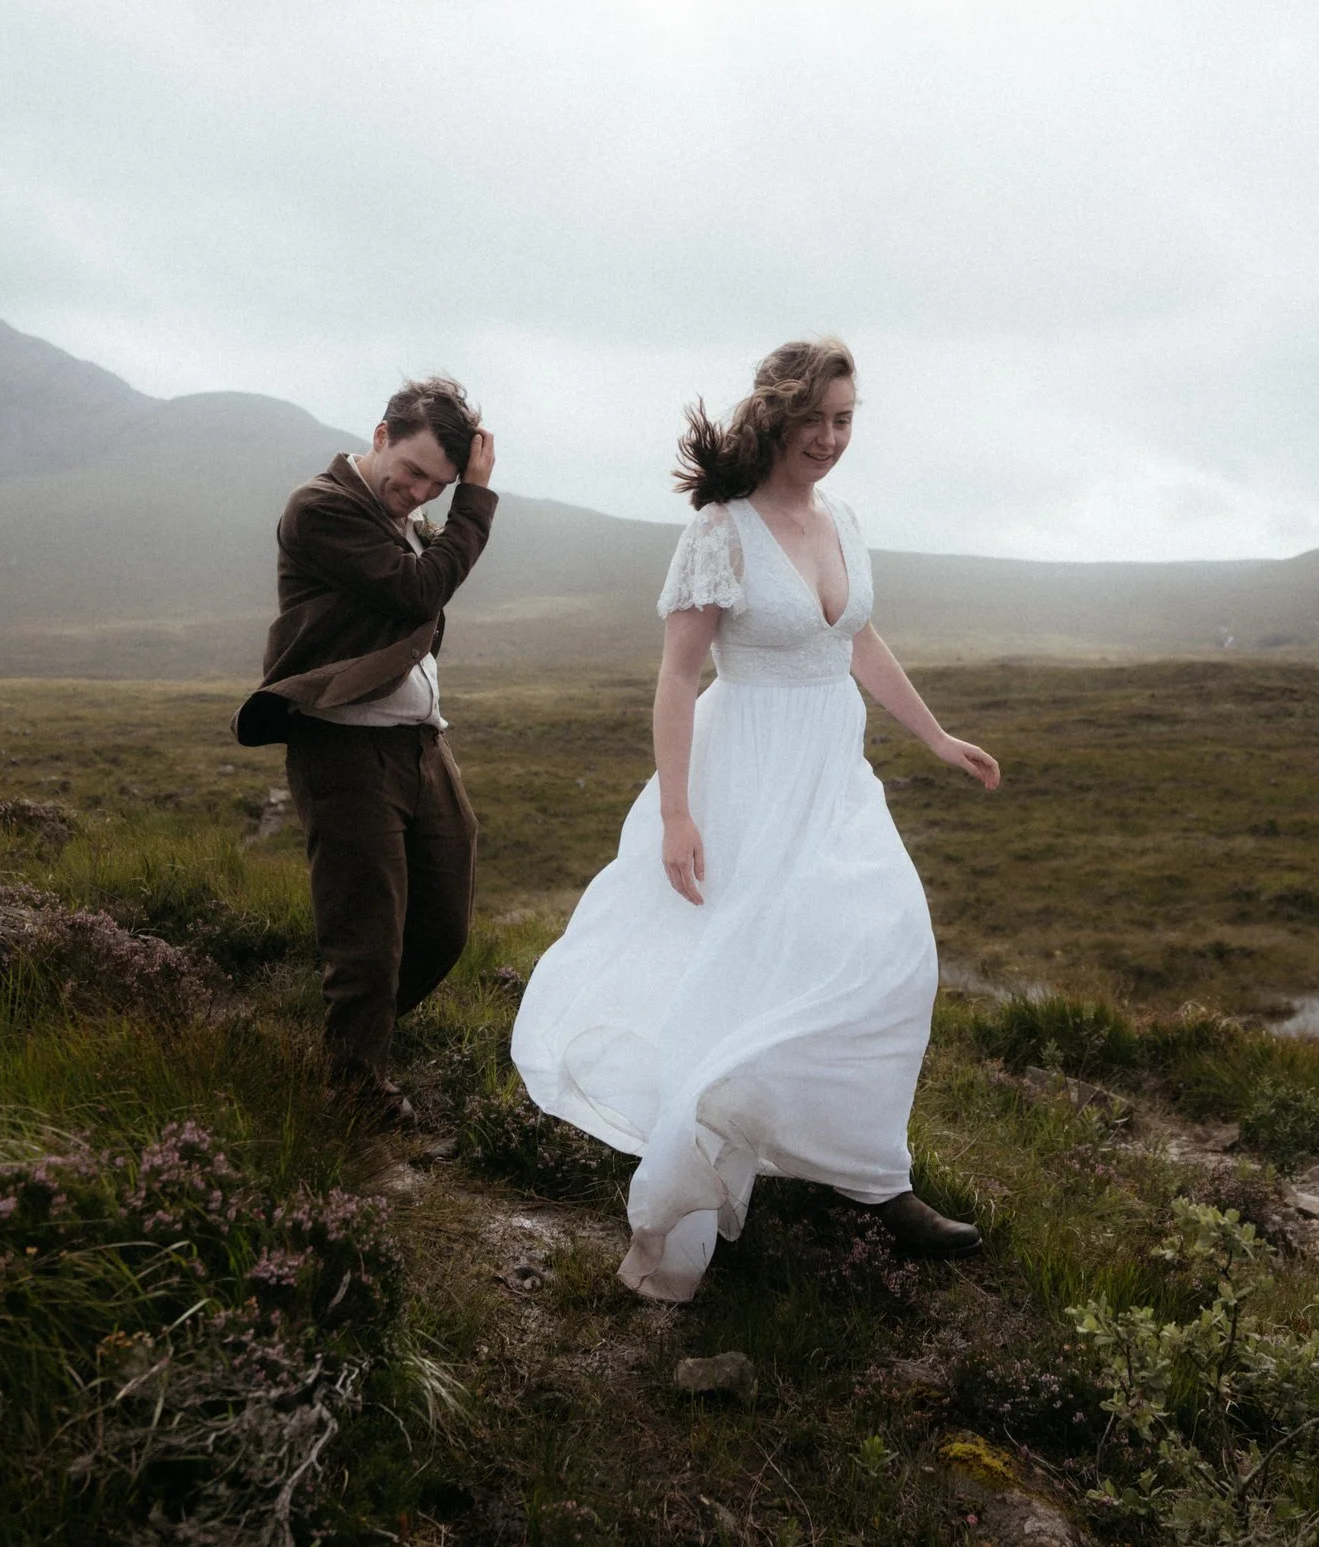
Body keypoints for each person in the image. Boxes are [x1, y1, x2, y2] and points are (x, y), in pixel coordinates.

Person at [509, 339, 1001, 1302]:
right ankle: (710, 1170)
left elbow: (854, 636)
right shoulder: (722, 529)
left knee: (892, 953)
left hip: (834, 778)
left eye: (846, 418)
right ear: (775, 418)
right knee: (738, 978)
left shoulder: (844, 519)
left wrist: (936, 737)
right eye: (814, 419)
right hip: (745, 779)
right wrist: (680, 813)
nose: (829, 438)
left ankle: (871, 1173)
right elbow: (678, 677)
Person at [236, 378, 499, 1124]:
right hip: (344, 747)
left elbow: (416, 603)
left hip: (420, 744)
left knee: (444, 922)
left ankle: (350, 1043)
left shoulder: (401, 519)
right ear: (380, 436)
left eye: (437, 485)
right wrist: (474, 501)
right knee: (366, 939)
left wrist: (450, 506)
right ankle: (352, 1102)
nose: (417, 493)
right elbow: (420, 594)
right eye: (412, 471)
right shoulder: (319, 507)